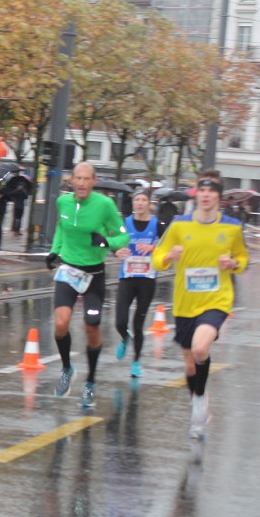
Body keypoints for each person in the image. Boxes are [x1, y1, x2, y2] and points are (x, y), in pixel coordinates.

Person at [151, 169, 248, 439]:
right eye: (202, 190)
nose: (206, 195)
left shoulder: (232, 227)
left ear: (218, 196)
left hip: (216, 300)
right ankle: (200, 397)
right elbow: (157, 259)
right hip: (184, 302)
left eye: (212, 191)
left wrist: (234, 263)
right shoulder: (180, 225)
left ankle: (198, 402)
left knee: (199, 348)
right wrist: (169, 255)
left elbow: (243, 258)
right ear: (197, 194)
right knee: (190, 364)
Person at [45, 161, 129, 408]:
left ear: (94, 182)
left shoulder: (105, 206)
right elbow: (61, 227)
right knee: (61, 323)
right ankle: (67, 369)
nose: (81, 183)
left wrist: (105, 242)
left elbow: (123, 236)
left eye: (86, 179)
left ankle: (90, 381)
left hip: (94, 274)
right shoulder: (63, 202)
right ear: (71, 180)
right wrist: (54, 250)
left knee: (92, 326)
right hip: (69, 270)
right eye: (77, 178)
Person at [114, 188, 164, 378]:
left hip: (147, 280)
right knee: (120, 321)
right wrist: (117, 250)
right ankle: (125, 337)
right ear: (133, 203)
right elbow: (114, 241)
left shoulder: (156, 224)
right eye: (137, 200)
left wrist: (152, 247)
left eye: (143, 200)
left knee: (138, 323)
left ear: (149, 203)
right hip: (127, 277)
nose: (140, 203)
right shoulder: (125, 223)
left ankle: (135, 362)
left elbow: (167, 244)